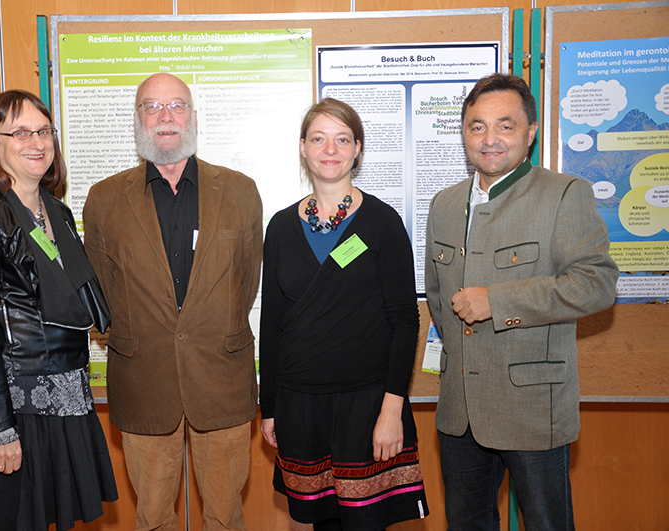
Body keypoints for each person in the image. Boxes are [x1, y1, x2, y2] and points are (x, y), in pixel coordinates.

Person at [425, 73, 619, 530]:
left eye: (505, 125)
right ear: (464, 134)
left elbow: (596, 283)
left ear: (530, 133)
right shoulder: (444, 204)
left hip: (533, 409)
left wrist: (499, 300)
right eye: (477, 126)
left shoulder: (563, 194)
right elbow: (437, 296)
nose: (489, 138)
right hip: (460, 412)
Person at [82, 73, 262, 531]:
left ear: (194, 117)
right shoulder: (104, 200)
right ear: (137, 120)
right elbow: (101, 289)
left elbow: (246, 282)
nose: (166, 116)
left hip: (220, 377)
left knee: (226, 515)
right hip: (145, 380)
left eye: (177, 105)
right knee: (153, 515)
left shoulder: (240, 192)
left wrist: (208, 327)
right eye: (152, 106)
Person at [0, 90, 118, 531]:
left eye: (44, 131)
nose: (37, 142)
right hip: (15, 406)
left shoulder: (57, 212)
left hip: (66, 397)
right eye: (20, 132)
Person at [259, 98, 429, 531]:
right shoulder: (279, 227)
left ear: (357, 149)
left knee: (365, 524)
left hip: (366, 404)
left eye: (341, 139)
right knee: (322, 525)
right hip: (301, 405)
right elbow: (272, 324)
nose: (329, 149)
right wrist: (269, 407)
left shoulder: (382, 222)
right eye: (318, 139)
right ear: (302, 147)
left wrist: (393, 408)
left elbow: (404, 321)